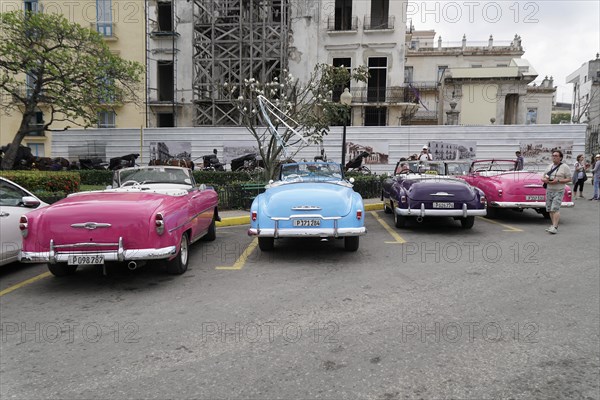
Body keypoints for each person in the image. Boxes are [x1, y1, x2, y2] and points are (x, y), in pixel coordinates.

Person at [541, 149, 572, 234]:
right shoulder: (549, 166)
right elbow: (543, 177)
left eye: (556, 156)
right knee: (550, 209)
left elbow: (569, 179)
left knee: (555, 208)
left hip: (559, 190)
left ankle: (555, 227)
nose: (554, 157)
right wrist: (545, 180)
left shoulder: (565, 167)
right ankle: (553, 225)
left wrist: (558, 181)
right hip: (549, 190)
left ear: (560, 158)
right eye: (553, 156)